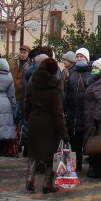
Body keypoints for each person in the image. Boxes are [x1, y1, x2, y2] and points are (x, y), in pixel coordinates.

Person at [24, 57, 69, 193]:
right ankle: (47, 184)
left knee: (34, 152)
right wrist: (64, 132)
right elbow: (57, 112)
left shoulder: (32, 84)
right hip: (49, 124)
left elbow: (26, 105)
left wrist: (28, 119)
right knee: (50, 155)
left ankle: (30, 180)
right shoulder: (54, 88)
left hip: (34, 121)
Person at [64, 47, 92, 172]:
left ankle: (91, 165)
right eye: (78, 56)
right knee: (74, 141)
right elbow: (66, 92)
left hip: (86, 111)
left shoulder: (92, 72)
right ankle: (76, 165)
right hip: (73, 112)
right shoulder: (71, 72)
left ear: (87, 58)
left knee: (86, 139)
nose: (79, 58)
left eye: (82, 56)